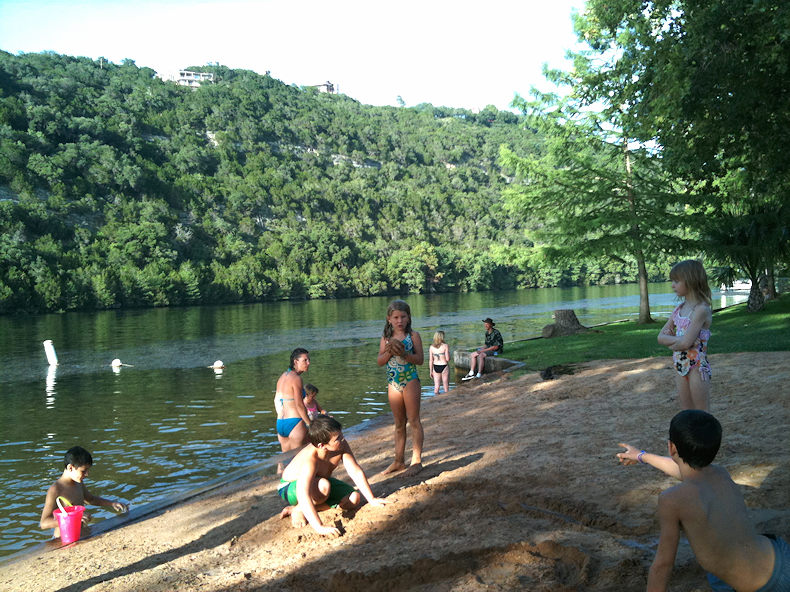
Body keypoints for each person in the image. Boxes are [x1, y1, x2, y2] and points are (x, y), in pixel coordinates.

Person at [617, 410, 788, 592]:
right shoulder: (720, 473)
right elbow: (683, 470)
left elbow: (663, 565)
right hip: (781, 556)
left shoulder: (671, 500)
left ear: (671, 447)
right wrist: (641, 455)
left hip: (764, 587)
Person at [278, 416, 388, 536]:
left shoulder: (341, 445)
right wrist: (320, 527)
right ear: (321, 445)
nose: (343, 439)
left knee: (353, 499)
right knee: (323, 486)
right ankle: (299, 509)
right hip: (290, 487)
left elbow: (355, 471)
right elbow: (302, 492)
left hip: (319, 483)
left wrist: (371, 499)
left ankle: (304, 508)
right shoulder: (311, 458)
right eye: (337, 439)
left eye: (341, 435)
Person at [377, 299, 424, 477]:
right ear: (389, 319)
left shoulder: (413, 336)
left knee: (414, 420)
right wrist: (389, 351)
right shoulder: (386, 339)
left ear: (409, 318)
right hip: (393, 382)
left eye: (403, 317)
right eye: (396, 317)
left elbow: (420, 360)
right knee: (398, 424)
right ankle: (398, 460)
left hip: (410, 379)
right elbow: (380, 362)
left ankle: (417, 460)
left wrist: (405, 354)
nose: (399, 321)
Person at [657, 260, 713, 411]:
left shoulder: (701, 310)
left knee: (702, 412)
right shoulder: (678, 309)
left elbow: (685, 344)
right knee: (686, 412)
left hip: (696, 367)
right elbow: (660, 337)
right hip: (680, 365)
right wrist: (676, 342)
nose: (672, 285)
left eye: (676, 281)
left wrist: (676, 343)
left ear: (690, 280)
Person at [40, 446, 129, 537]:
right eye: (83, 471)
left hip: (79, 534)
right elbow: (44, 523)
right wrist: (72, 518)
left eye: (88, 470)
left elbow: (91, 499)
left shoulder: (78, 483)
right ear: (70, 467)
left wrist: (111, 503)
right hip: (63, 538)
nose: (87, 474)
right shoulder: (56, 489)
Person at [274, 348, 312, 473]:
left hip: (281, 423)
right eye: (305, 360)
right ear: (295, 361)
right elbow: (299, 404)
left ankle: (282, 485)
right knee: (298, 461)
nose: (308, 363)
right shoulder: (296, 379)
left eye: (308, 360)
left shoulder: (282, 377)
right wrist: (309, 424)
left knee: (287, 460)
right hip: (295, 422)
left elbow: (276, 400)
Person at [429, 330, 451, 395]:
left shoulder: (431, 347)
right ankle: (446, 399)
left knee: (436, 387)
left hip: (435, 366)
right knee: (445, 386)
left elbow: (431, 360)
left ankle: (436, 399)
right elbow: (447, 359)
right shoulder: (445, 346)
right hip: (444, 366)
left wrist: (431, 371)